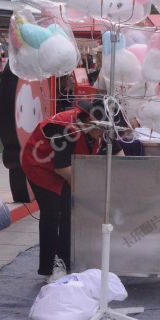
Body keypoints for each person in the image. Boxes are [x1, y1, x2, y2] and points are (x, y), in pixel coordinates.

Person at [21, 99, 113, 282]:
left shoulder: (97, 131)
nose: (104, 134)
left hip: (63, 167)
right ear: (89, 121)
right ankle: (49, 267)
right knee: (53, 213)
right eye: (101, 129)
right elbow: (61, 168)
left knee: (69, 214)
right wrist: (86, 191)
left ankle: (66, 259)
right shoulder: (64, 129)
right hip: (40, 167)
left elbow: (117, 153)